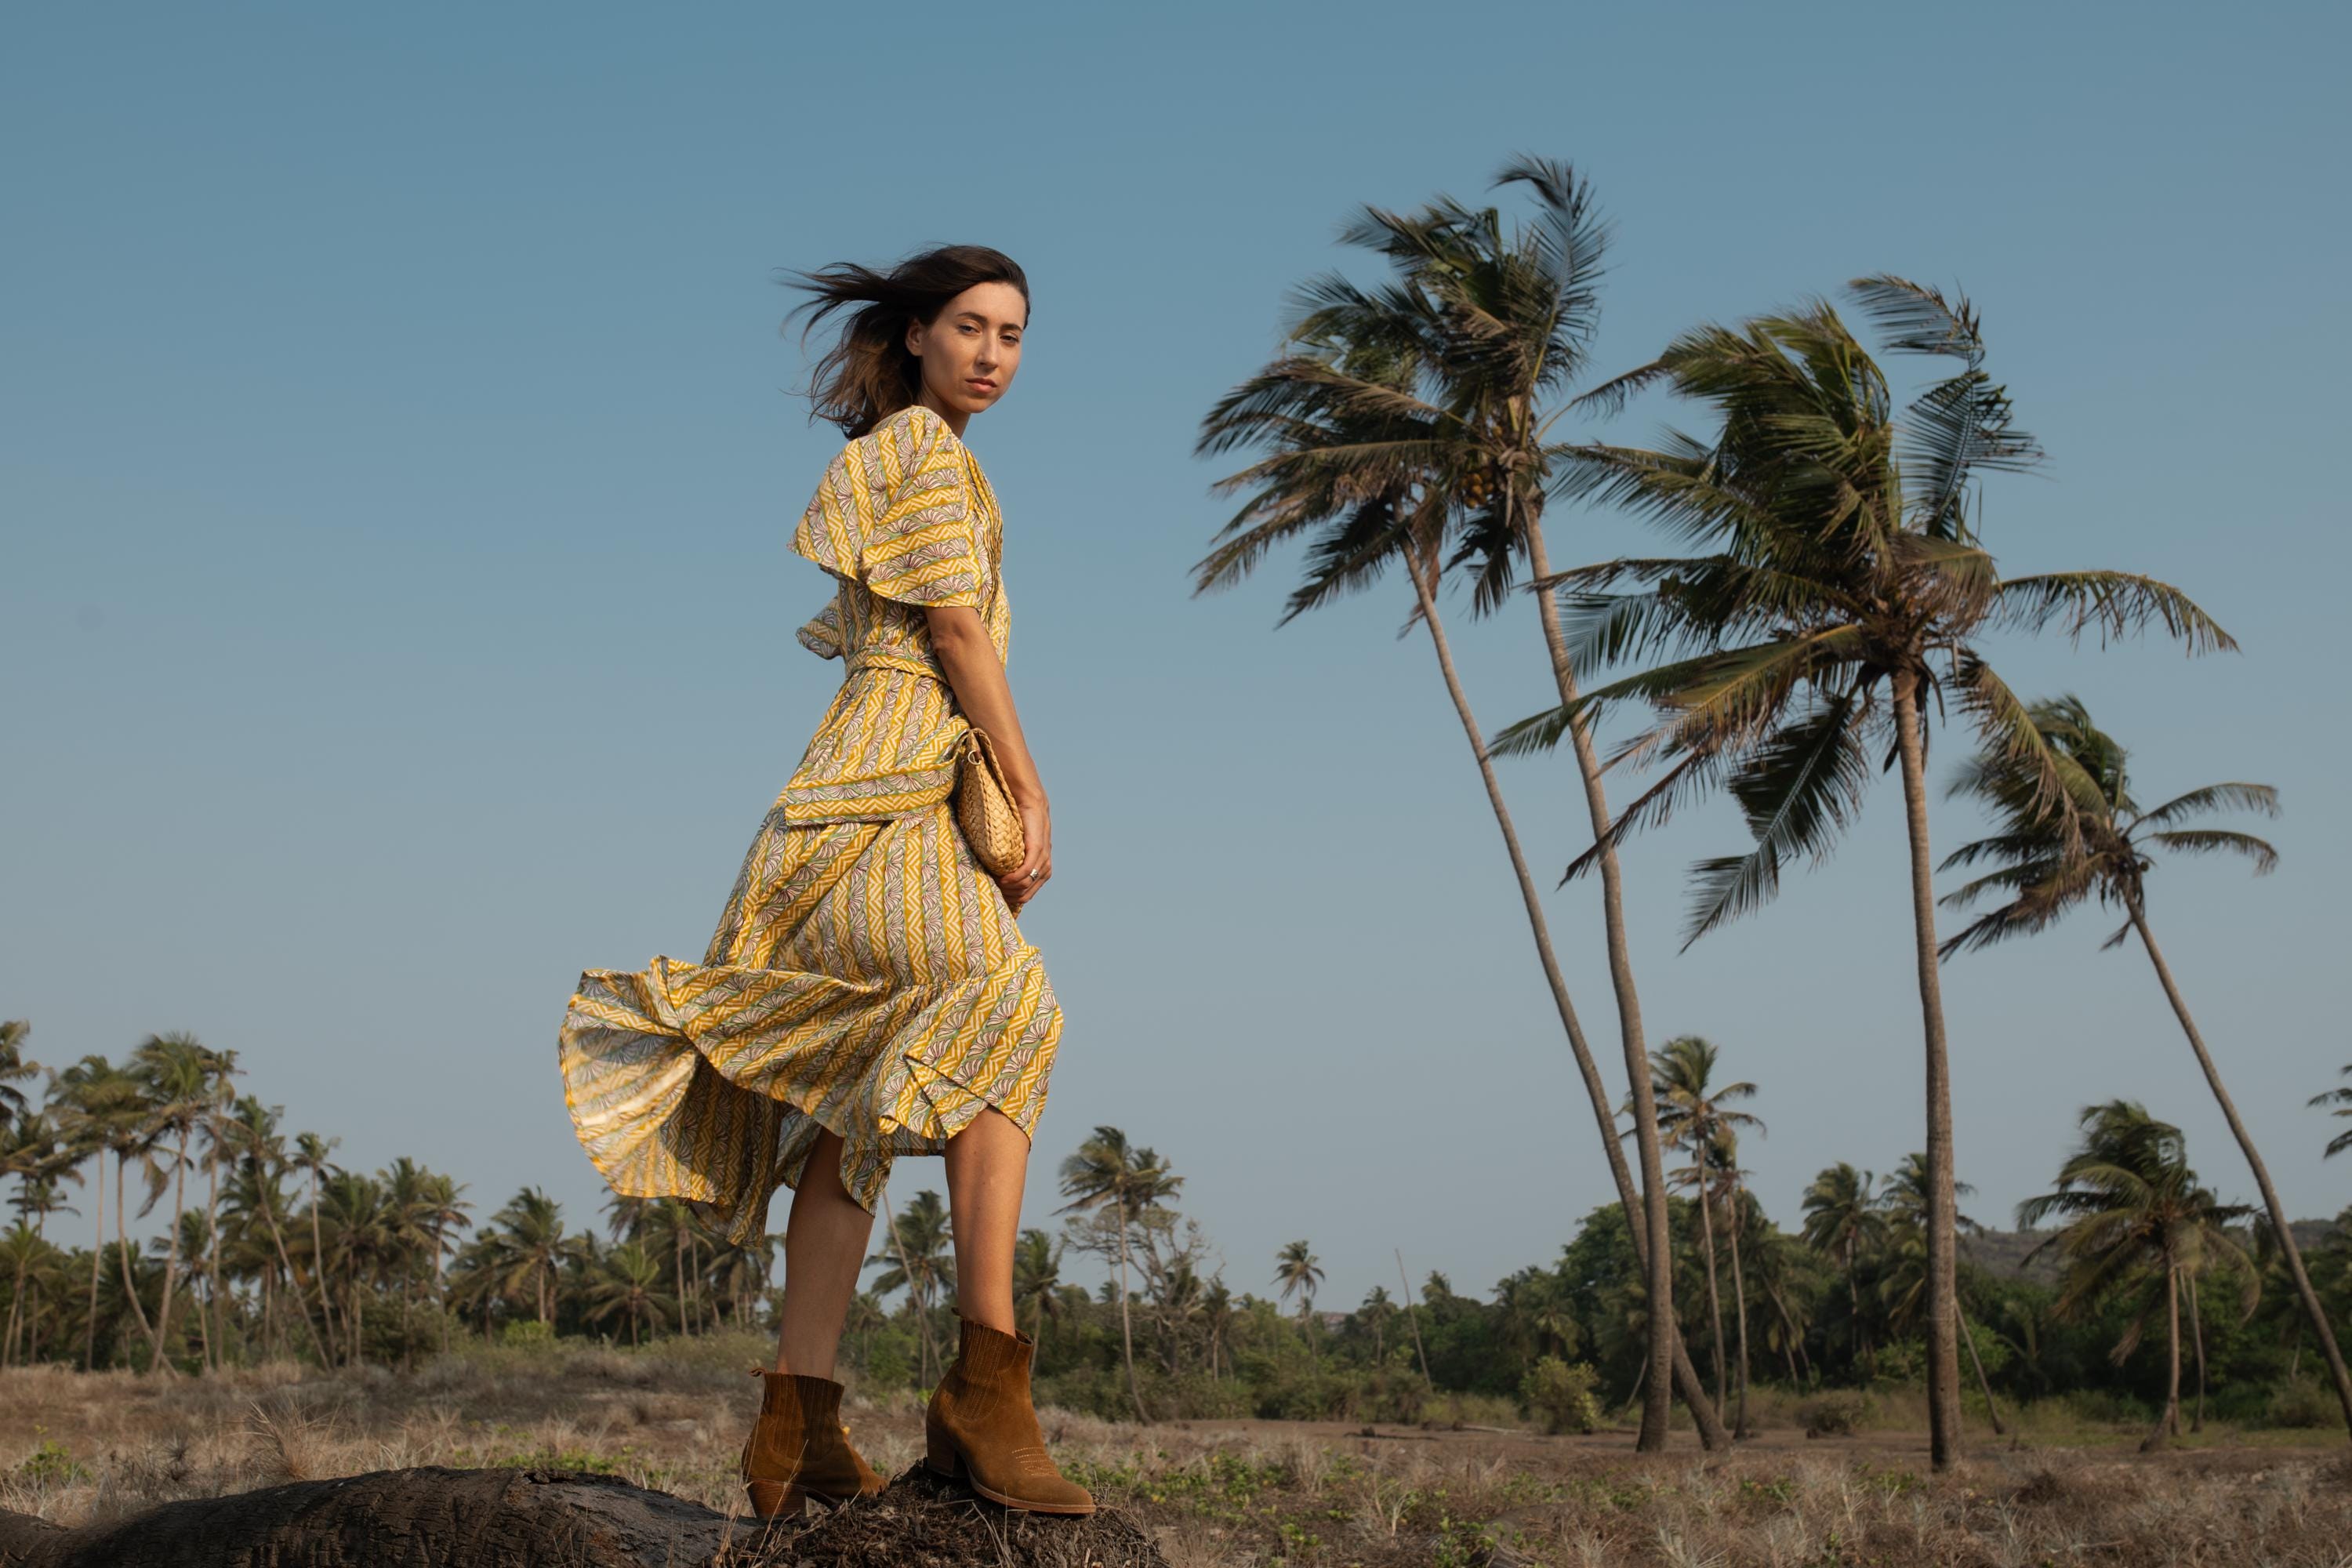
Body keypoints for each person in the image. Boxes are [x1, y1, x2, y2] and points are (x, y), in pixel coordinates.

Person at [554, 243, 1091, 1519]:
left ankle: (795, 1431)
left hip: (871, 792)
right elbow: (954, 632)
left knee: (856, 1114)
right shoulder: (918, 453)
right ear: (913, 335)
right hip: (878, 794)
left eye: (1013, 336)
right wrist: (1030, 785)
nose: (993, 355)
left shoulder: (929, 458)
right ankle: (985, 1387)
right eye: (970, 327)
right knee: (1011, 1011)